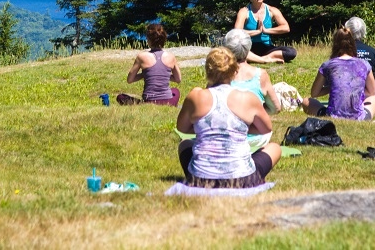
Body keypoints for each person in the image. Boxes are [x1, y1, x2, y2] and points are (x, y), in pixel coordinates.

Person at [176, 47, 281, 188]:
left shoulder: (196, 95)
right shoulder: (248, 98)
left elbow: (182, 127)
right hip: (242, 180)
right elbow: (266, 129)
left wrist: (211, 128)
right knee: (274, 147)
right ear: (234, 71)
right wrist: (237, 128)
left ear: (207, 70)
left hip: (200, 179)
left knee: (185, 144)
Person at [301, 27, 375, 121]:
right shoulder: (364, 64)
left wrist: (331, 87)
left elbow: (314, 93)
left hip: (332, 116)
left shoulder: (327, 65)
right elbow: (372, 92)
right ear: (353, 43)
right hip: (358, 117)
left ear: (335, 44)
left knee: (306, 101)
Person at [233, 0, 297, 64]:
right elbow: (236, 32)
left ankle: (260, 59)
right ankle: (265, 59)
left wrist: (266, 30)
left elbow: (286, 27)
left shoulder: (272, 10)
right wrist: (257, 32)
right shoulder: (244, 11)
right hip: (249, 47)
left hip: (267, 48)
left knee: (291, 52)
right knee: (235, 51)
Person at [118, 23, 181, 106]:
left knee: (120, 97)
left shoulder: (141, 56)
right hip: (168, 101)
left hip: (149, 101)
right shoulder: (171, 56)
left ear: (148, 39)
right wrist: (163, 75)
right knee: (175, 91)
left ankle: (142, 104)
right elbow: (178, 79)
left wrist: (145, 74)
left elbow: (130, 80)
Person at [222, 29, 281, 115]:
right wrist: (255, 111)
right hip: (253, 125)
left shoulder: (219, 74)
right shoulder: (260, 75)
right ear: (248, 48)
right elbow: (275, 108)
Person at [344, 16, 375, 92]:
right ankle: (374, 95)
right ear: (364, 31)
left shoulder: (341, 51)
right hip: (367, 93)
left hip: (345, 92)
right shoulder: (372, 51)